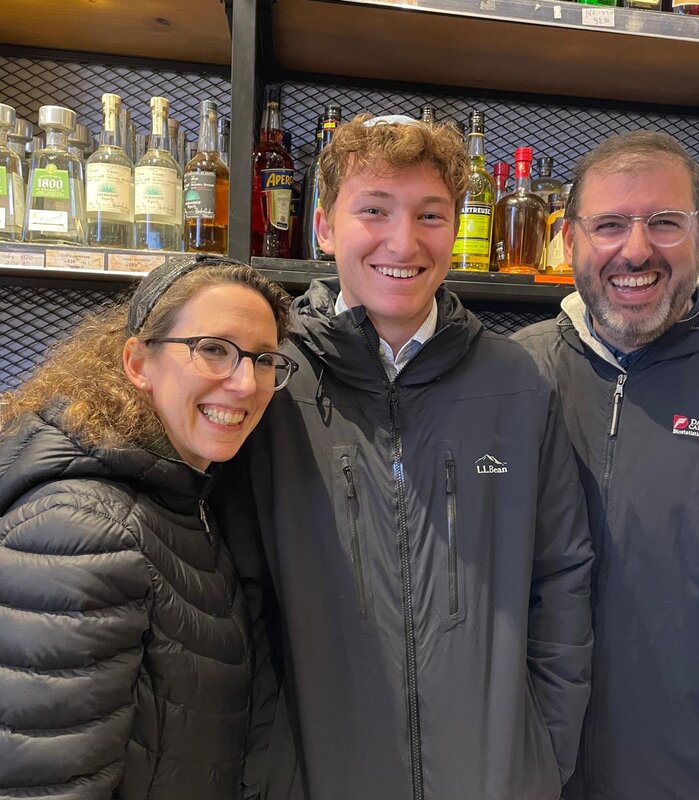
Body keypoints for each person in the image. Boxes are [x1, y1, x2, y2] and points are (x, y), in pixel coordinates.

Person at [221, 114, 594, 800]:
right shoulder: (268, 381)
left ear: (456, 229)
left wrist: (542, 756)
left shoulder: (517, 381)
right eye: (374, 210)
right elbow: (234, 595)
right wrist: (267, 765)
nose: (404, 241)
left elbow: (563, 576)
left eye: (431, 214)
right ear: (326, 227)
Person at [512, 130, 699, 800]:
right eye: (609, 224)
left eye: (663, 223)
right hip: (535, 781)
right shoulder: (515, 375)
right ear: (568, 239)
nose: (635, 249)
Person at [0, 254, 297, 800]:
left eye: (264, 360)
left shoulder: (185, 497)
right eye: (213, 349)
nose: (245, 383)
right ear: (138, 362)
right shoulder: (84, 528)